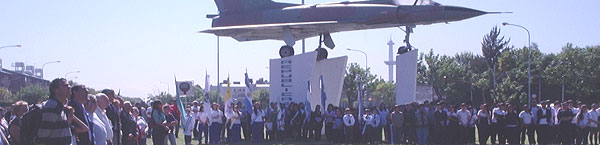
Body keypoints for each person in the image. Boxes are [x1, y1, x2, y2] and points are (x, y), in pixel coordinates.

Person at [37, 78, 79, 145]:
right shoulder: (52, 106)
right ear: (56, 90)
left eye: (68, 85)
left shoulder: (59, 106)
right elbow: (43, 134)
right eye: (65, 85)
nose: (69, 87)